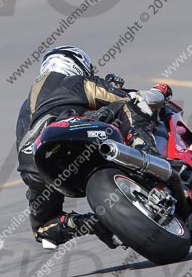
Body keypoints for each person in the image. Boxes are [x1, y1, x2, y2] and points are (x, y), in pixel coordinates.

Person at [15, 45, 173, 249]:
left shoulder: (26, 105)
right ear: (77, 64)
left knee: (43, 228)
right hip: (71, 130)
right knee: (131, 106)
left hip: (34, 164)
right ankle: (151, 158)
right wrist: (159, 93)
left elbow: (22, 142)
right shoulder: (73, 81)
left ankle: (91, 223)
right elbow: (127, 98)